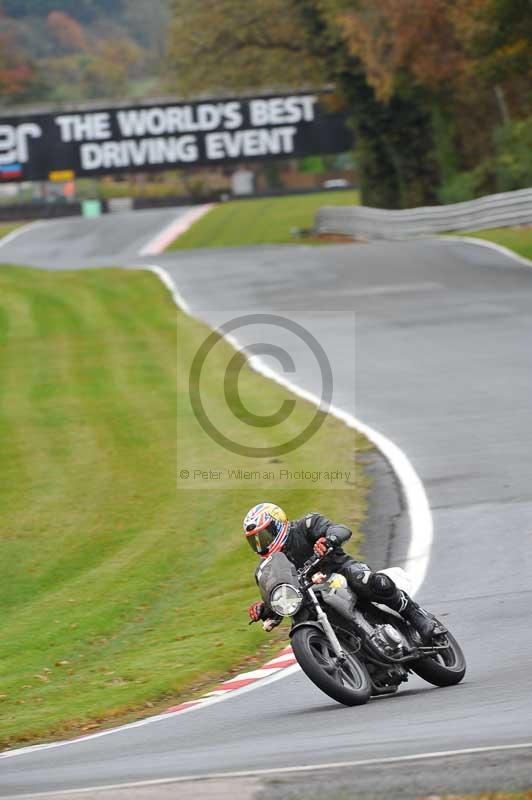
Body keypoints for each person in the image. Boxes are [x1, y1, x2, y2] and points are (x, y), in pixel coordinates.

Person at [244, 502, 437, 640]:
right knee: (301, 621)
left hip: (339, 570)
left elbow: (340, 529)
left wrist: (329, 540)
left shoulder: (306, 525)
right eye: (256, 541)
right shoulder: (268, 568)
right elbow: (283, 595)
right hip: (309, 596)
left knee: (368, 581)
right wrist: (265, 609)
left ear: (278, 525)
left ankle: (414, 614)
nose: (262, 543)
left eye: (264, 535)